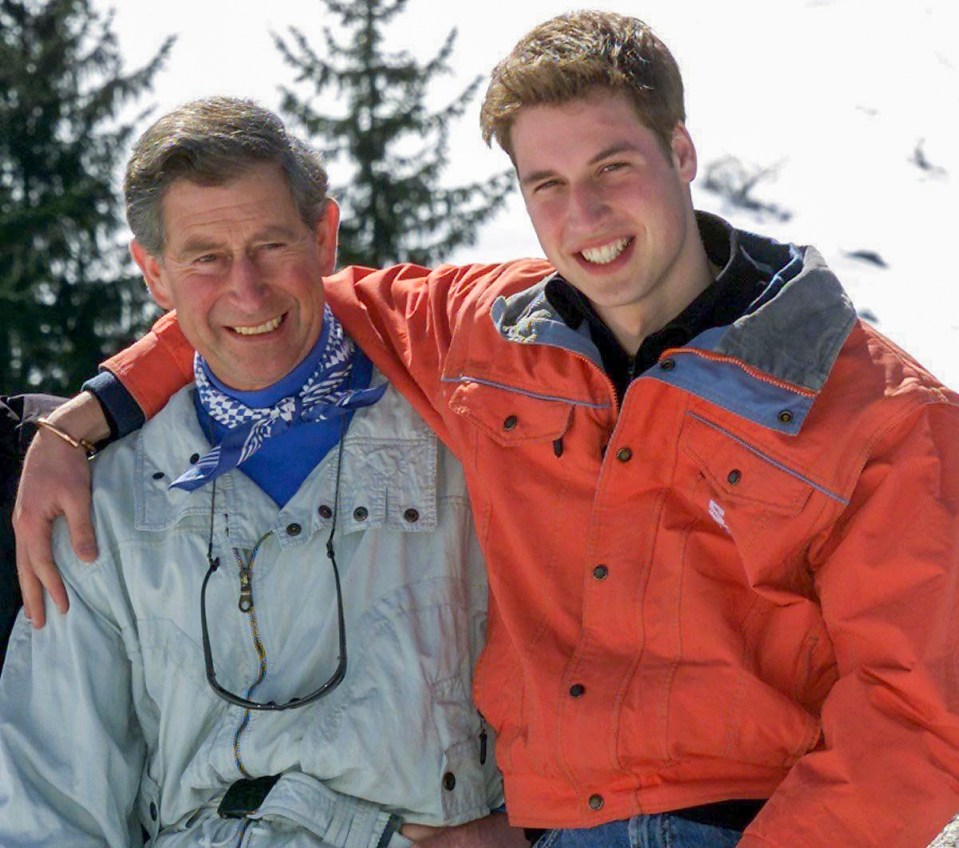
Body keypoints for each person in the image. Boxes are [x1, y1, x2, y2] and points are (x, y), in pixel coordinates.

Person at [13, 11, 959, 848]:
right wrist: (87, 417)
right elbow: (268, 308)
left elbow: (919, 720)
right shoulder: (485, 333)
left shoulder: (884, 412)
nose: (582, 215)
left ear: (681, 153)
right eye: (544, 182)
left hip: (749, 821)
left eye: (612, 168)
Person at [0, 97, 524, 848]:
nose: (246, 290)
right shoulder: (102, 502)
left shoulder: (467, 444)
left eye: (272, 245)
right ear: (153, 272)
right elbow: (51, 799)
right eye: (206, 257)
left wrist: (530, 831)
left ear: (323, 237)